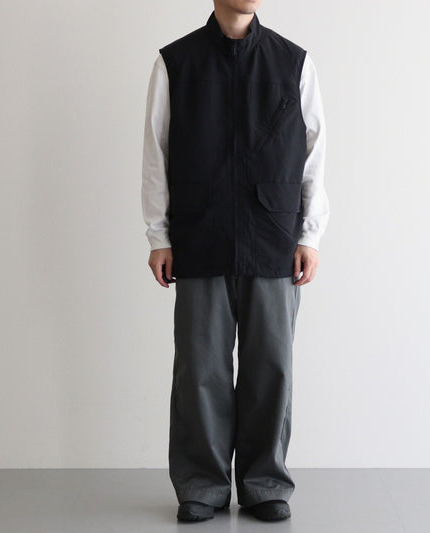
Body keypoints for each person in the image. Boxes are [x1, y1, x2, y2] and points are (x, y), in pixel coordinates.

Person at [141, 0, 329, 523]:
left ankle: (265, 483)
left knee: (271, 367)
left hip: (274, 239)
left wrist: (310, 234)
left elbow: (314, 152)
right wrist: (158, 234)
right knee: (199, 369)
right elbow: (156, 152)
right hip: (199, 235)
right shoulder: (175, 62)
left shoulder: (294, 62)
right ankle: (202, 485)